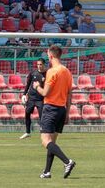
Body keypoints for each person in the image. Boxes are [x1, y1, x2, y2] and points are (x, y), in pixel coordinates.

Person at [33, 45, 75, 179]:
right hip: (62, 110)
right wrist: (67, 113)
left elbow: (45, 93)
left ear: (50, 56)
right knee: (52, 142)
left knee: (45, 141)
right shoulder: (67, 71)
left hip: (50, 108)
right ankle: (47, 171)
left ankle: (67, 162)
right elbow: (69, 95)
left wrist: (37, 86)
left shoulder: (52, 71)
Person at [20, 59, 46, 140]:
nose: (39, 66)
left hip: (40, 99)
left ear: (44, 64)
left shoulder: (47, 74)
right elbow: (28, 84)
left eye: (41, 64)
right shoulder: (32, 73)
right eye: (38, 64)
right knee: (27, 114)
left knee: (42, 116)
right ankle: (28, 132)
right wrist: (24, 94)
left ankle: (43, 132)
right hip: (31, 98)